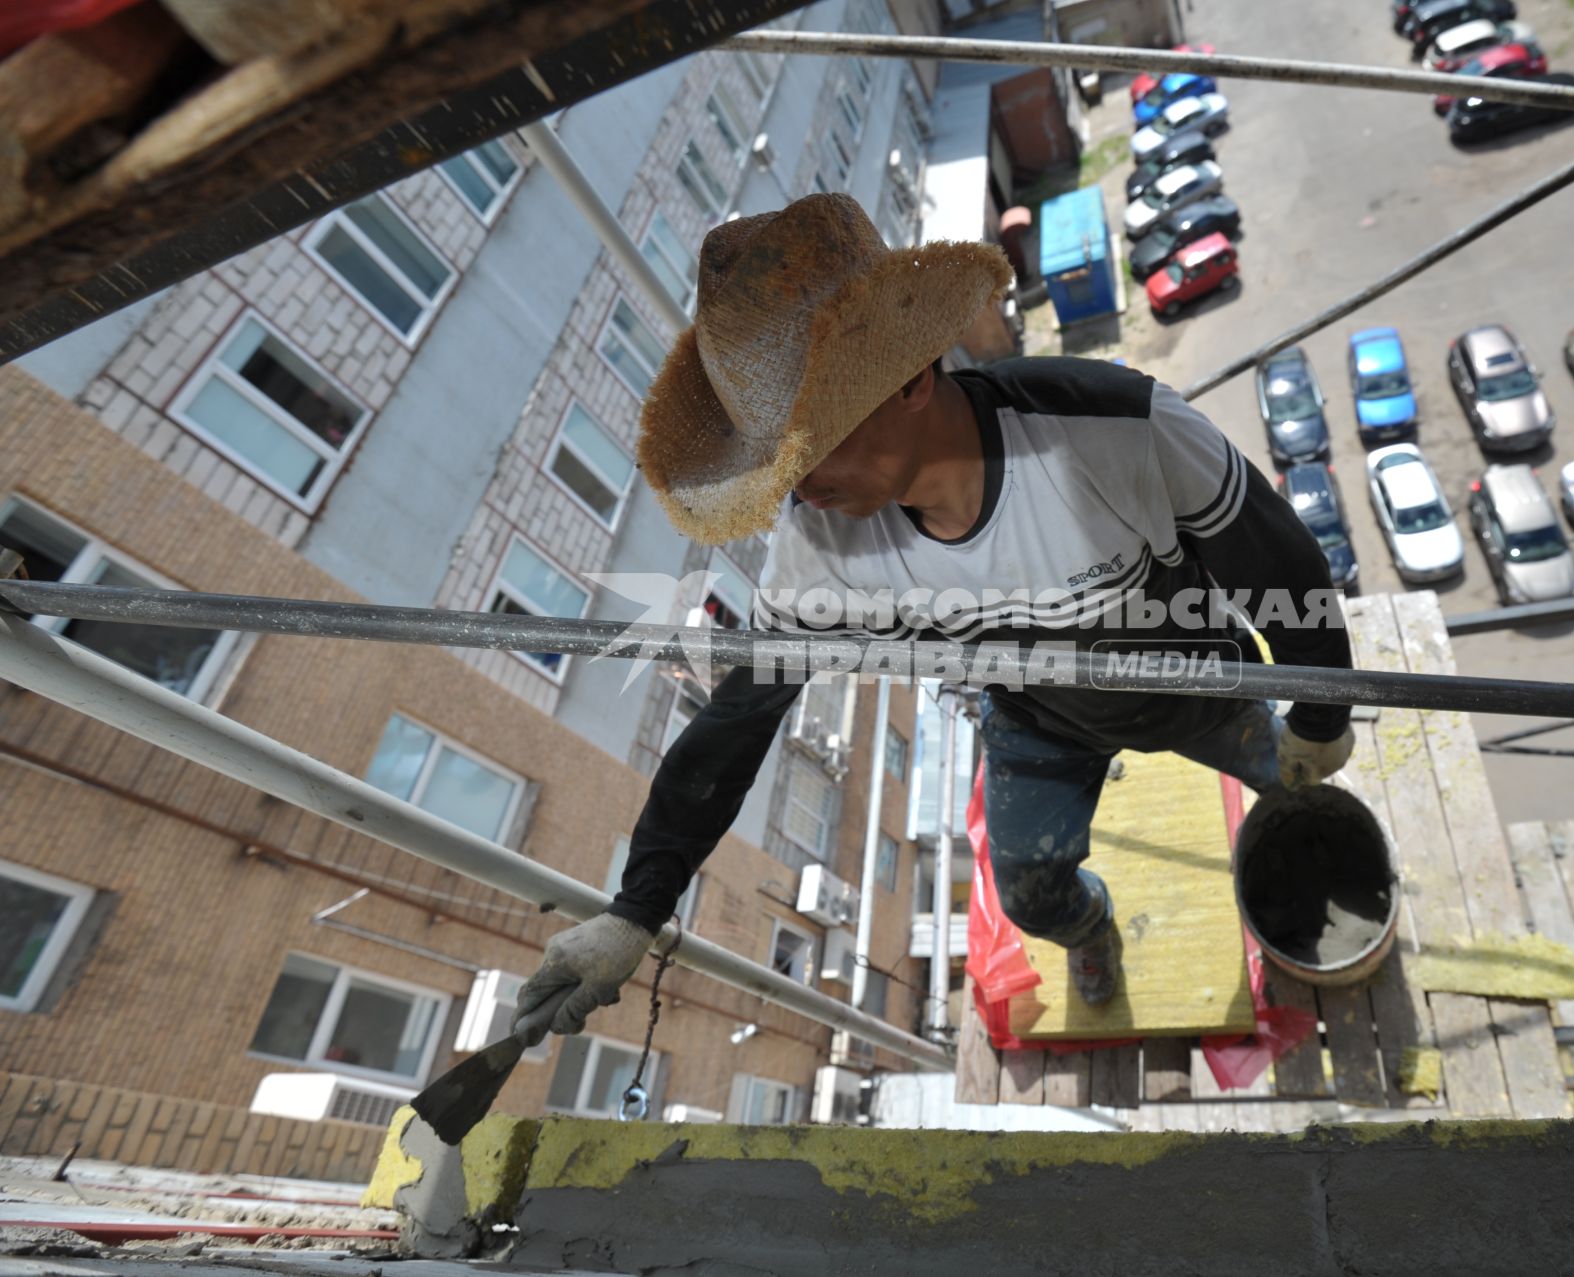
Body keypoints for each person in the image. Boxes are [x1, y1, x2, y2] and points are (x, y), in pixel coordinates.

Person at [512, 194, 1352, 1043]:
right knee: (1031, 893)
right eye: (777, 464)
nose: (797, 490)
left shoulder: (1114, 432)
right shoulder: (825, 544)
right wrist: (636, 908)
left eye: (813, 446)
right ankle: (1092, 931)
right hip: (1037, 722)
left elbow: (1286, 570)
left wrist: (1321, 716)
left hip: (1194, 683)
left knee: (1306, 793)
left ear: (913, 376)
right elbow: (737, 720)